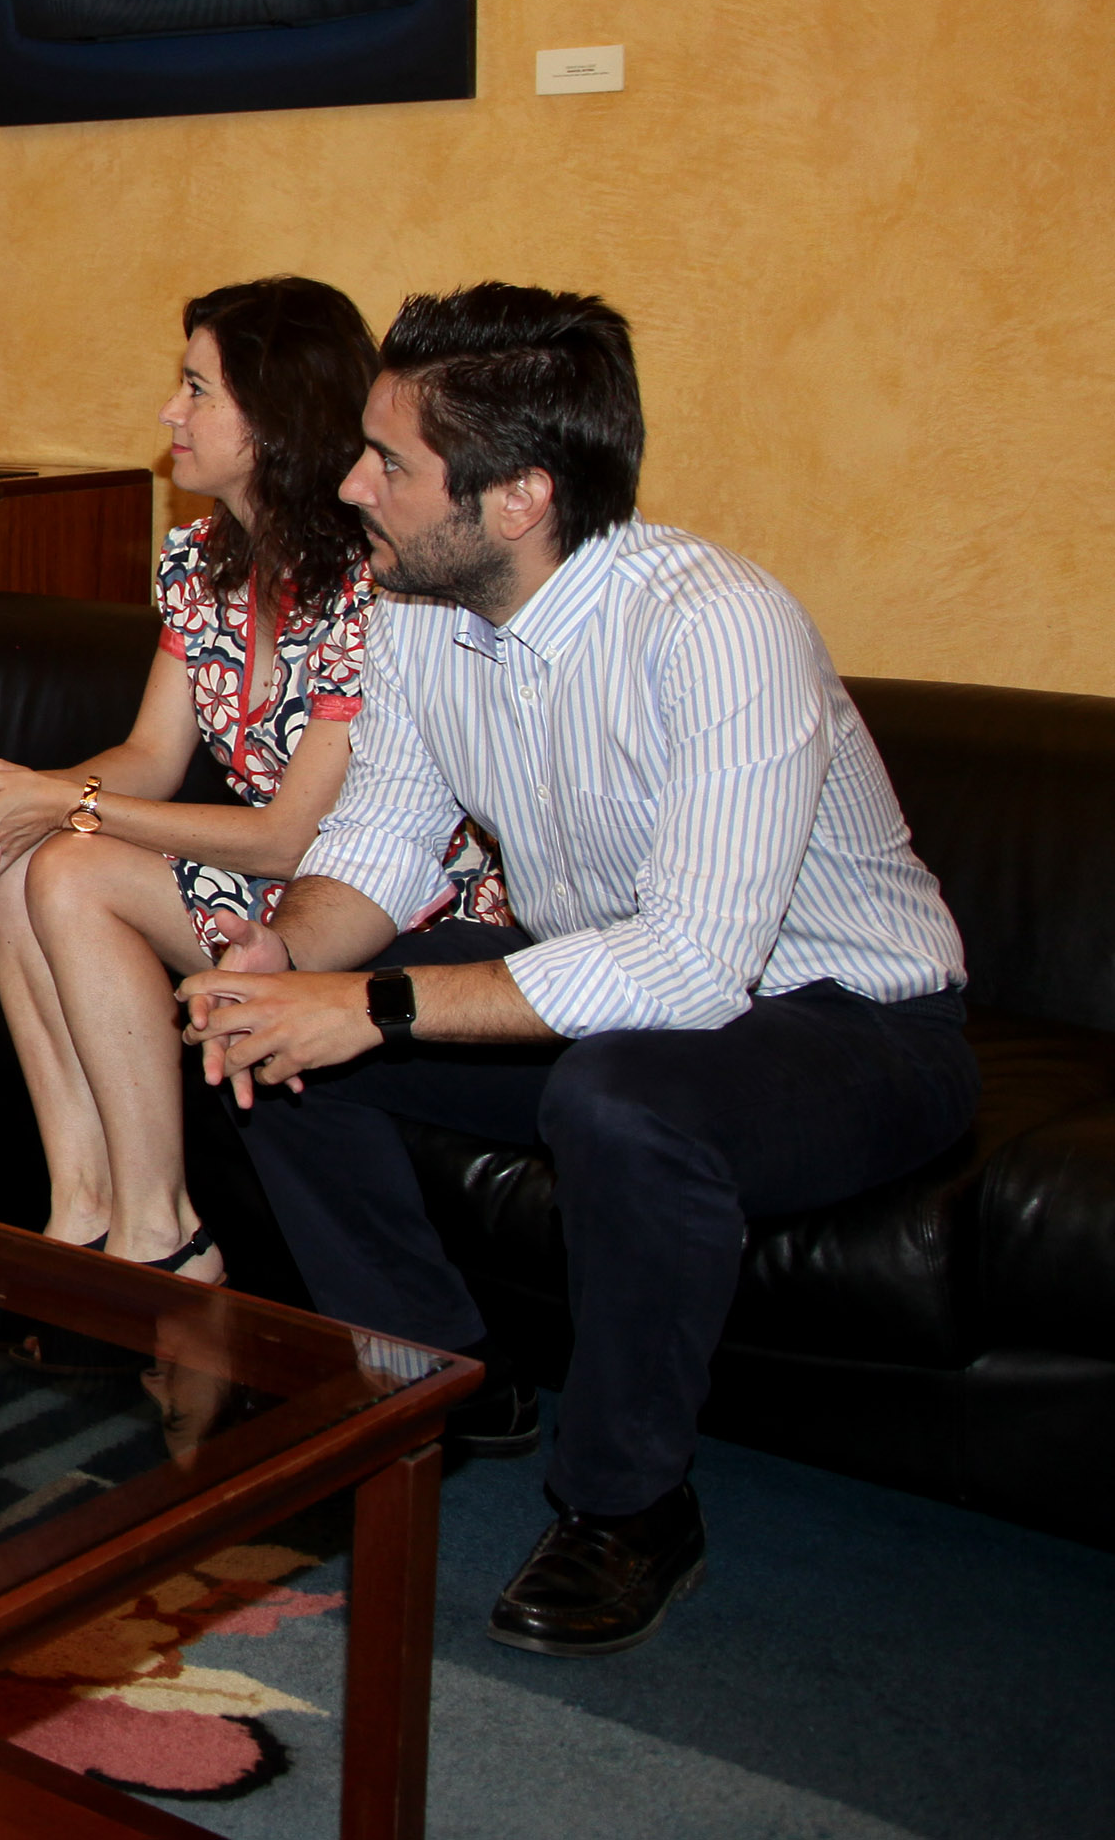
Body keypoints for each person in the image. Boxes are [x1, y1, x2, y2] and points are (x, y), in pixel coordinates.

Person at [177, 283, 974, 1657]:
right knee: (277, 1028)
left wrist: (371, 1004)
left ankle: (631, 1504)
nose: (351, 481)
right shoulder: (423, 602)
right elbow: (382, 834)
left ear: (520, 496)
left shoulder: (718, 625)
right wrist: (286, 951)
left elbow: (693, 964)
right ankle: (431, 1376)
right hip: (617, 980)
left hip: (853, 1018)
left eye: (391, 462)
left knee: (619, 1098)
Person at [0, 278, 502, 1278]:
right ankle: (83, 1205)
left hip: (379, 901)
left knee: (68, 866)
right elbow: (150, 754)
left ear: (275, 416)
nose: (169, 412)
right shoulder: (200, 562)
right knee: (14, 857)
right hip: (267, 883)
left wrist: (64, 804)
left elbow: (291, 837)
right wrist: (20, 796)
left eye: (196, 389)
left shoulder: (374, 590)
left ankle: (165, 1231)